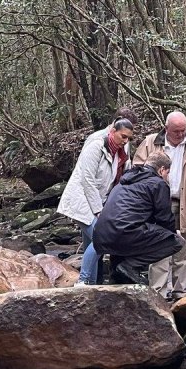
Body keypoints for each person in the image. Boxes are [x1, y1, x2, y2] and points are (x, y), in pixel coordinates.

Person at [132, 110, 186, 296]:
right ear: (166, 128)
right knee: (159, 249)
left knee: (184, 251)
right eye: (176, 131)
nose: (181, 134)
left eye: (184, 130)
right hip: (157, 204)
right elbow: (137, 169)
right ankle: (157, 293)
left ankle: (179, 292)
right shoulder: (151, 143)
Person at [57, 118, 135, 284]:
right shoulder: (96, 146)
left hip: (96, 202)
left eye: (128, 138)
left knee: (90, 245)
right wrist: (98, 210)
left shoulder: (119, 153)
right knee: (102, 239)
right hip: (81, 201)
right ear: (113, 132)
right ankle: (83, 281)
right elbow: (87, 180)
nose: (125, 141)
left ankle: (92, 284)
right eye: (123, 136)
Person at [92, 151, 184, 285]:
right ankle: (131, 265)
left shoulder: (124, 181)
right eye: (167, 173)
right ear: (161, 169)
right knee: (176, 242)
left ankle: (117, 281)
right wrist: (173, 234)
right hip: (125, 232)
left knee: (119, 271)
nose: (167, 177)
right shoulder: (157, 183)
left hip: (102, 235)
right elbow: (164, 218)